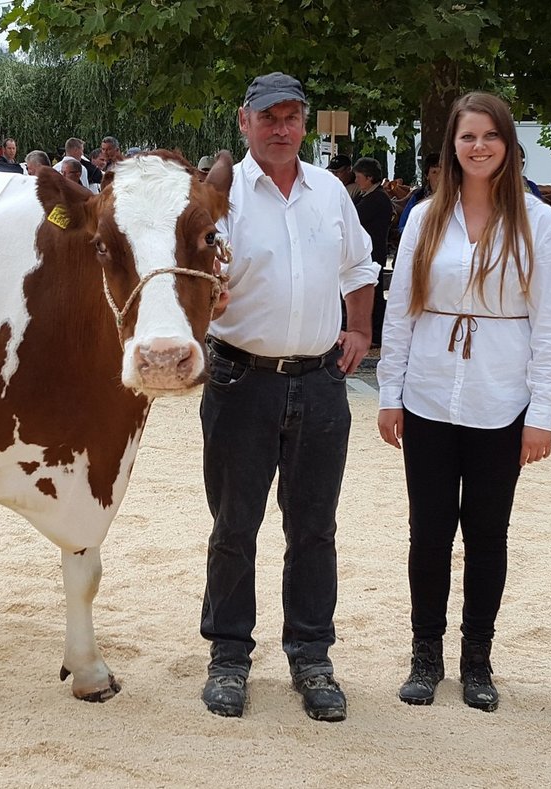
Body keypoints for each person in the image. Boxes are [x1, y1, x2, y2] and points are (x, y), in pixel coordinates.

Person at [377, 92, 551, 711]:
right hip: (430, 392)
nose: (478, 147)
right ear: (452, 147)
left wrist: (542, 411)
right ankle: (425, 653)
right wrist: (390, 392)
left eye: (489, 136)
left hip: (500, 397)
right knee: (427, 532)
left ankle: (478, 658)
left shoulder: (538, 223)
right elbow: (401, 311)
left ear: (508, 145)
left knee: (488, 533)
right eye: (467, 138)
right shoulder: (427, 216)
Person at [199, 71, 378, 724]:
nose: (281, 127)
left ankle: (311, 655)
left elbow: (359, 267)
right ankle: (228, 656)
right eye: (268, 116)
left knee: (314, 528)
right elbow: (194, 274)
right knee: (235, 525)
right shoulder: (220, 195)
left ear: (305, 125)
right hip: (241, 378)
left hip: (321, 382)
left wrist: (359, 328)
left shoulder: (329, 191)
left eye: (292, 117)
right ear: (243, 122)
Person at [350, 157, 394, 346]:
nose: (357, 180)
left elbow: (354, 217)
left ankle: (377, 333)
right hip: (366, 253)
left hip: (373, 253)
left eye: (359, 176)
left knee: (374, 294)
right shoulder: (365, 195)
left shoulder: (377, 198)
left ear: (369, 178)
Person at [397, 153, 440, 232]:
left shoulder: (456, 198)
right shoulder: (418, 197)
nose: (439, 176)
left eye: (443, 172)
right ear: (427, 176)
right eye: (434, 172)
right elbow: (403, 226)